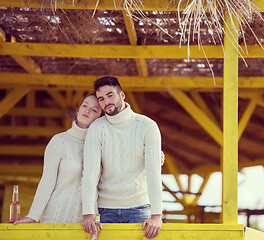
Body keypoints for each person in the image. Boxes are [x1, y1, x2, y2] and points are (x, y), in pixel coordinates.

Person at [81, 76, 163, 239]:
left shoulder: (147, 126)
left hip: (140, 209)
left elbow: (154, 172)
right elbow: (90, 173)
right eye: (101, 99)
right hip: (105, 211)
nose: (106, 102)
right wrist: (88, 213)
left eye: (110, 95)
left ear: (122, 95)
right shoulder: (97, 128)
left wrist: (156, 215)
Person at [13, 93, 103, 224]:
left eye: (94, 110)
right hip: (56, 217)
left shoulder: (101, 147)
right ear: (78, 110)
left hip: (87, 223)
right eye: (85, 105)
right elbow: (47, 181)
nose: (87, 110)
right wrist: (33, 216)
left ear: (99, 119)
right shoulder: (59, 141)